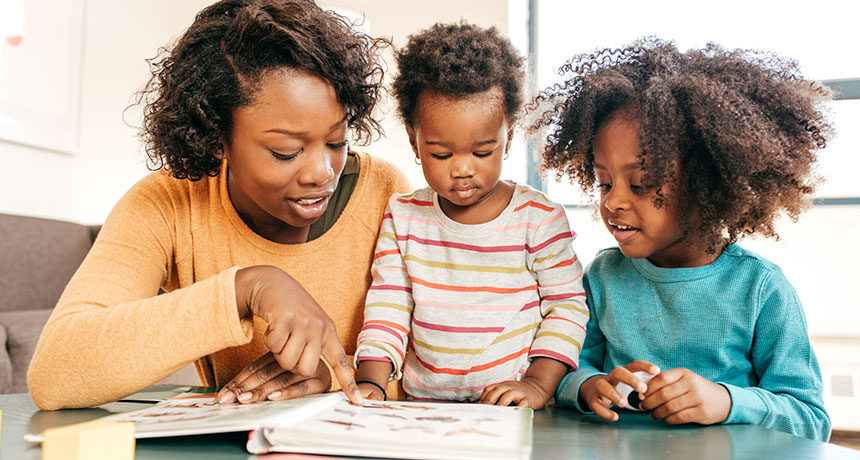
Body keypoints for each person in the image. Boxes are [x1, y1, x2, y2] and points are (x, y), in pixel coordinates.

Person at [27, 0, 410, 410]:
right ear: (216, 138)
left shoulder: (385, 194)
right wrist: (246, 288)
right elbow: (54, 374)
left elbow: (446, 364)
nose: (321, 171)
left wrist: (334, 375)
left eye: (337, 141)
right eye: (286, 151)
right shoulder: (169, 203)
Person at [529, 37, 832, 441]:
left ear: (707, 184)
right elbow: (569, 368)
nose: (614, 201)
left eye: (640, 183)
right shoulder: (603, 276)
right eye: (604, 183)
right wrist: (588, 387)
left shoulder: (760, 289)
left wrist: (725, 401)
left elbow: (809, 418)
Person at [353, 22, 589, 409]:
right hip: (424, 409)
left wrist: (536, 385)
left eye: (482, 152)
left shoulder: (538, 218)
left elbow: (566, 307)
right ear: (415, 140)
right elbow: (389, 304)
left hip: (515, 408)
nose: (462, 169)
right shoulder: (404, 215)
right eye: (442, 154)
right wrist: (373, 385)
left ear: (508, 137)